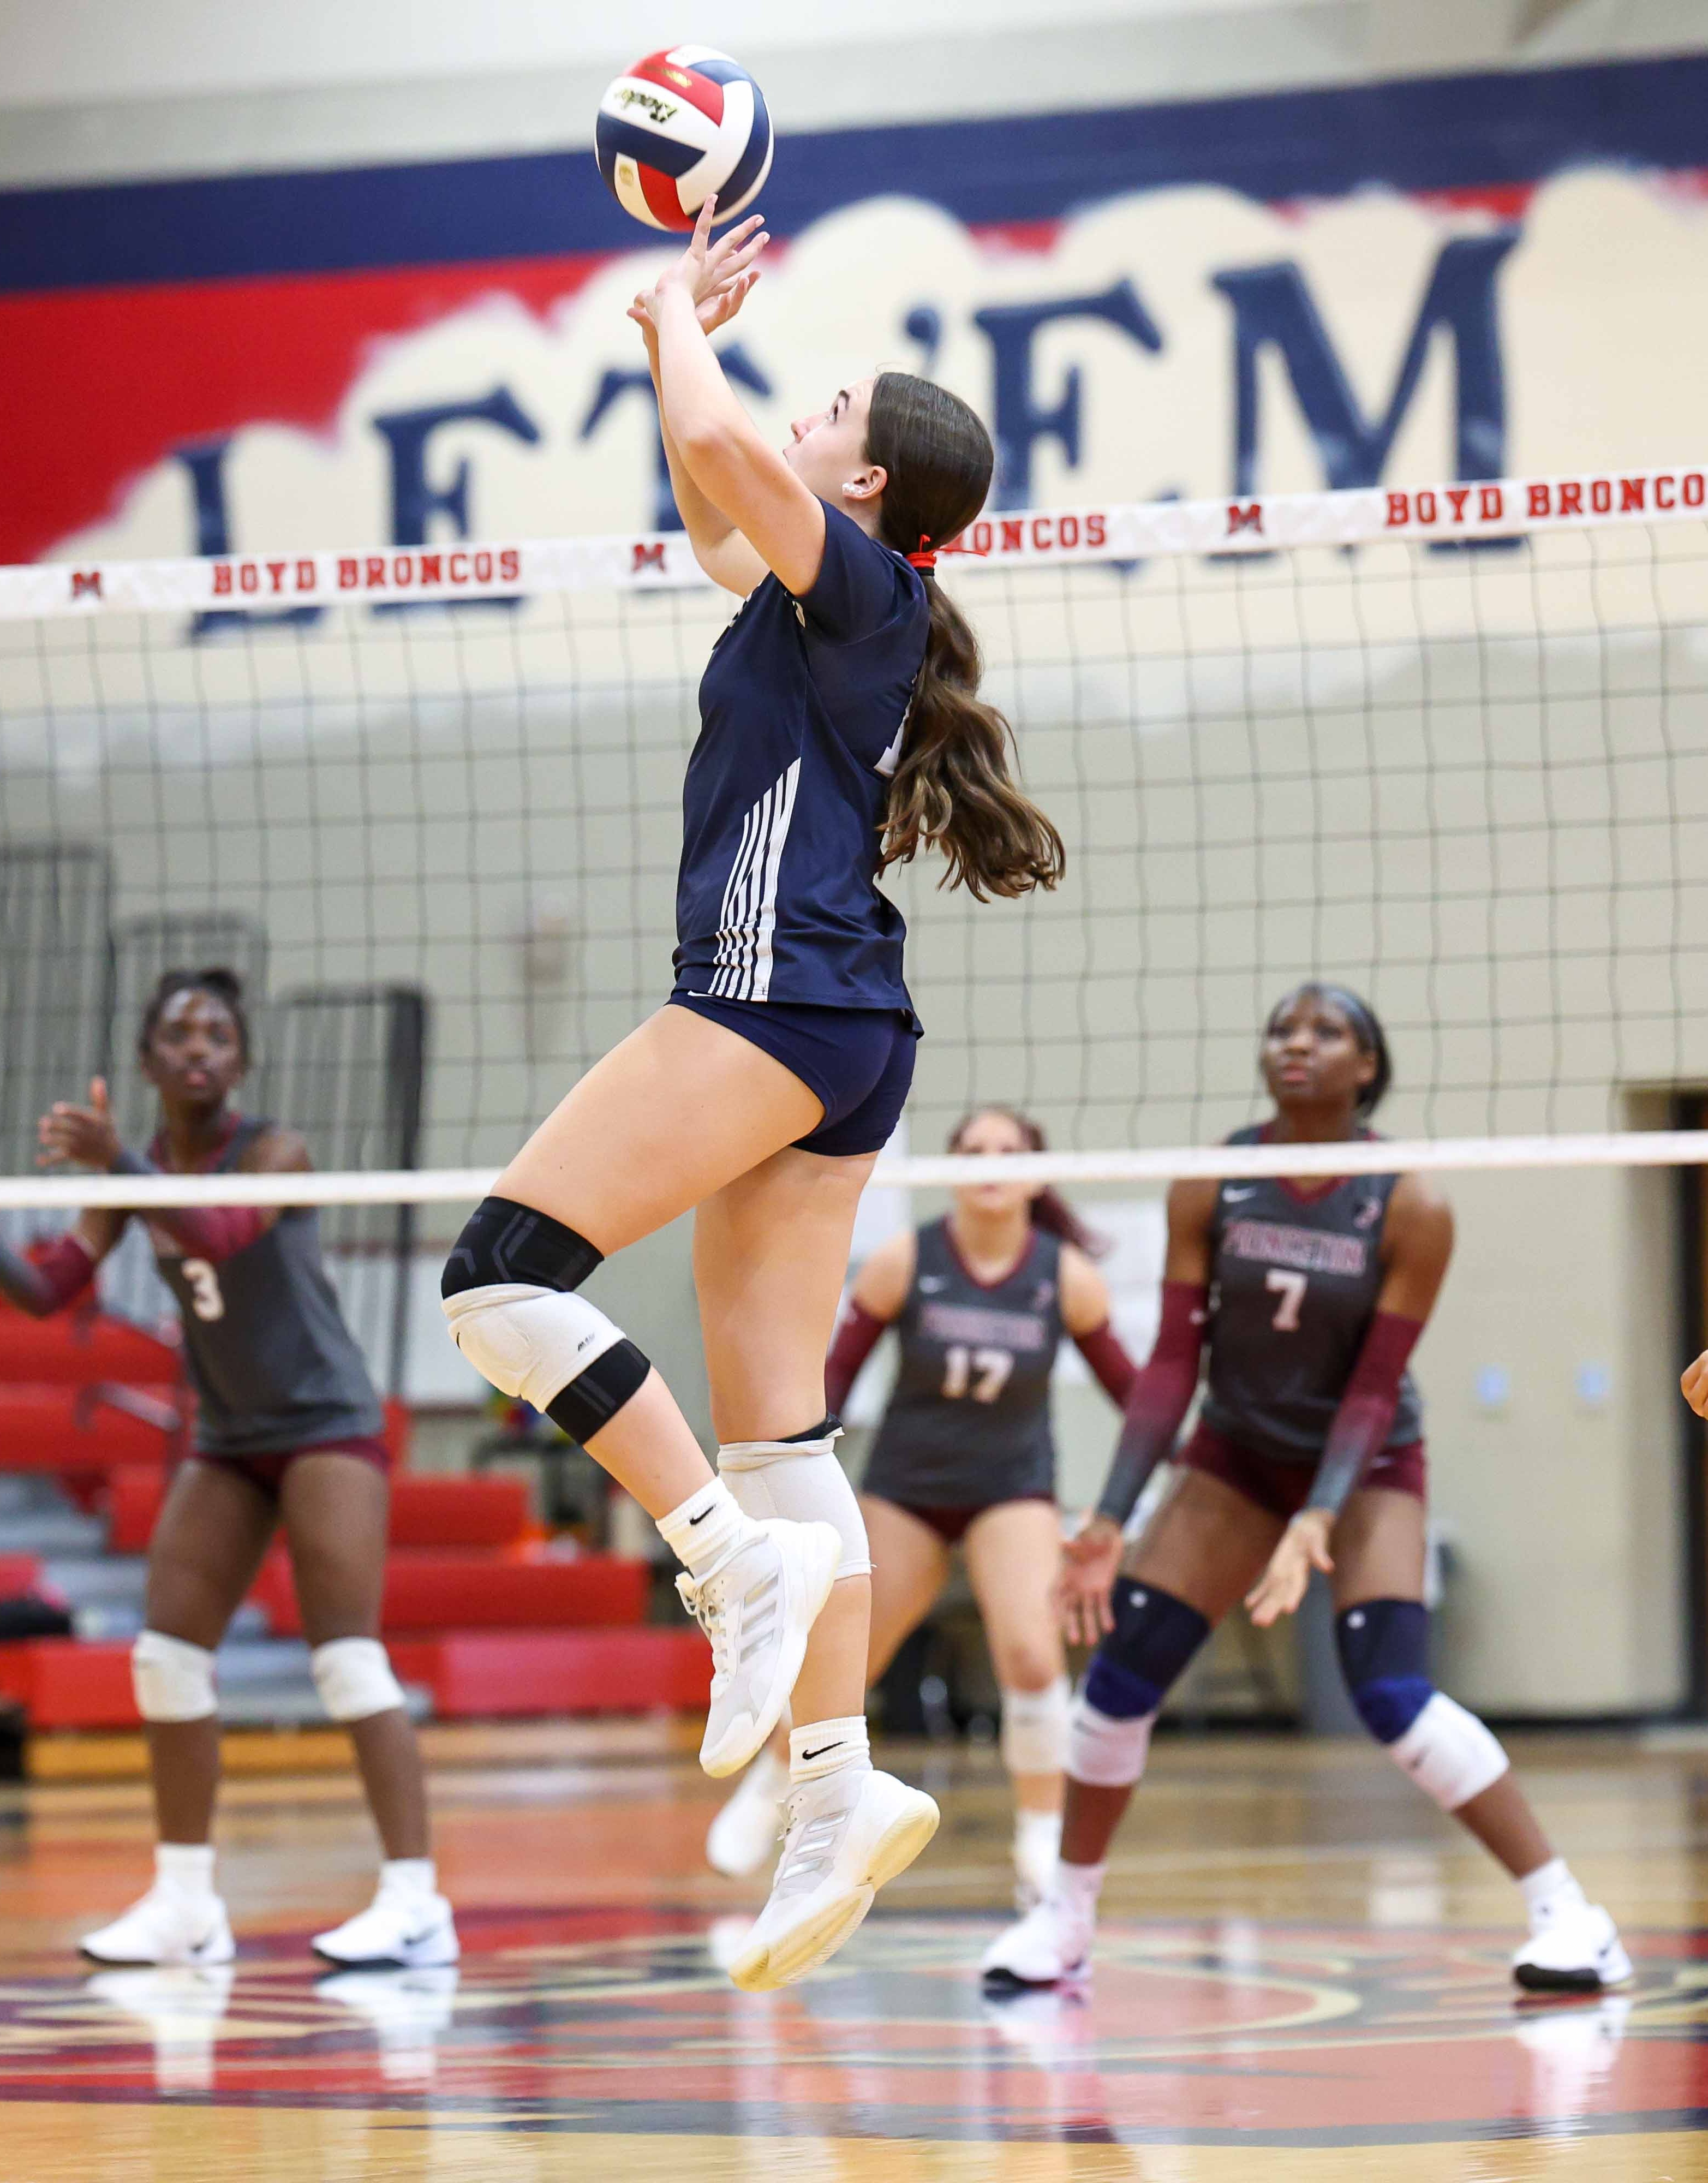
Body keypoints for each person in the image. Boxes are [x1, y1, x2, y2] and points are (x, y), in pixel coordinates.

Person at [437, 199, 1065, 1992]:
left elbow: (725, 447)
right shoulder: (845, 594)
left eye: (834, 403)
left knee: (498, 1280)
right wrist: (665, 351)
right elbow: (715, 499)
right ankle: (837, 1792)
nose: (806, 410)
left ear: (867, 486)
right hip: (850, 1031)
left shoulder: (861, 584)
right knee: (787, 1434)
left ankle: (715, 1560)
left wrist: (674, 318)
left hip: (768, 994)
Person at [982, 983, 1630, 1994]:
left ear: (1367, 1066)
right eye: (1283, 1027)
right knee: (1120, 1679)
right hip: (1236, 1455)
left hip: (1363, 1463)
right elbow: (1168, 1369)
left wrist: (1319, 1517)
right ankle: (1064, 1923)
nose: (1297, 1044)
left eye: (1326, 1032)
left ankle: (1571, 1914)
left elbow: (1375, 1386)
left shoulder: (1411, 1198)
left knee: (1391, 1695)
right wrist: (1110, 1515)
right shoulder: (1218, 1182)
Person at [0, 968, 451, 1972]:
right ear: (146, 1062)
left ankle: (416, 1902)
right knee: (164, 1658)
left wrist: (123, 1163)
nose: (199, 1050)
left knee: (346, 1657)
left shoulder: (275, 1152)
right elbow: (49, 1292)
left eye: (218, 1035)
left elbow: (219, 1232)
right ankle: (186, 1906)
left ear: (242, 1060)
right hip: (230, 1437)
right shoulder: (131, 1177)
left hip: (325, 1426)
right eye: (179, 1035)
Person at [705, 1106, 1137, 1903]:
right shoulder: (906, 1261)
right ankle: (769, 1793)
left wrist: (1156, 1485)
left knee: (1035, 1658)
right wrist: (779, 1487)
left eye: (1008, 1151)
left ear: (1036, 1173)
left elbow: (1139, 1399)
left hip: (1014, 1489)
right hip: (907, 1488)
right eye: (973, 1150)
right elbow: (823, 1380)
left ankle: (1041, 1833)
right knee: (845, 1662)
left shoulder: (1064, 1276)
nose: (990, 1164)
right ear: (949, 1169)